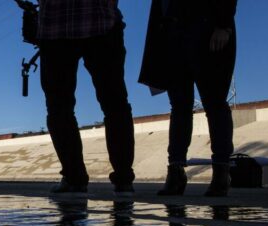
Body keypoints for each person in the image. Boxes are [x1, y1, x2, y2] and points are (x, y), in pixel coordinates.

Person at [139, 0, 237, 197]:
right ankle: (175, 171)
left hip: (207, 29)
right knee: (179, 107)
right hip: (173, 36)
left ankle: (221, 171)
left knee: (214, 103)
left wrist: (224, 25)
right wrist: (155, 56)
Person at [37, 0, 135, 195]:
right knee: (115, 104)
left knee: (59, 108)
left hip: (55, 28)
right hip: (102, 23)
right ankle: (123, 179)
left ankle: (74, 179)